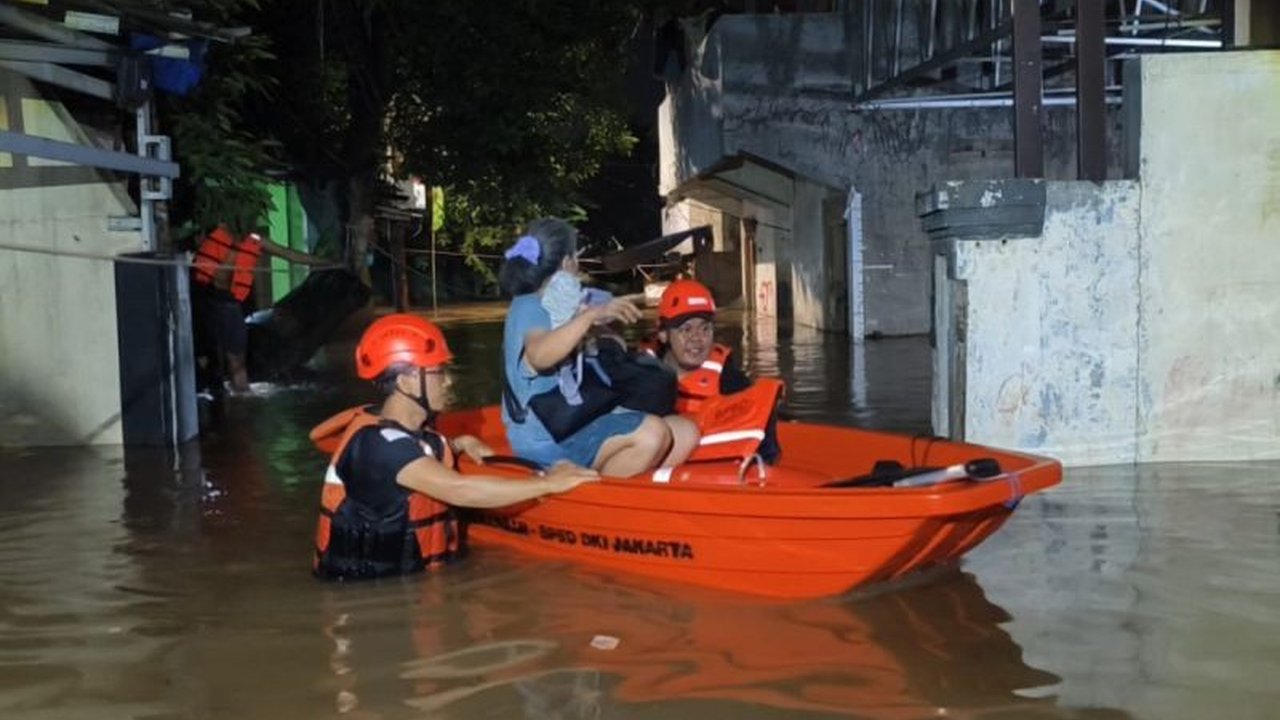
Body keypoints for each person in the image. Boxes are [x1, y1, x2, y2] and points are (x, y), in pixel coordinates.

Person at [313, 313, 599, 581]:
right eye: (438, 372)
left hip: (415, 579)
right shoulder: (378, 446)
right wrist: (549, 484)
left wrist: (456, 443)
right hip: (372, 596)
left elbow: (415, 451)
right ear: (406, 381)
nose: (449, 382)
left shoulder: (410, 431)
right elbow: (459, 490)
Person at [498, 218, 699, 477]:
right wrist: (589, 317)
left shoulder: (566, 305)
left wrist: (597, 327)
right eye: (575, 258)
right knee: (652, 433)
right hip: (546, 436)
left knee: (685, 432)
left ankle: (631, 490)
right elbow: (539, 355)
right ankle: (593, 493)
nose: (578, 266)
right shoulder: (528, 306)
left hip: (581, 418)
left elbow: (611, 348)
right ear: (566, 262)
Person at [644, 279, 782, 464]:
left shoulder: (730, 380)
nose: (697, 338)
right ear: (663, 333)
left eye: (705, 328)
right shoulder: (640, 372)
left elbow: (760, 431)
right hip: (653, 466)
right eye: (686, 329)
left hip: (709, 472)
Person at [190, 224, 326, 393]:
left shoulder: (256, 240)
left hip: (230, 304)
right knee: (205, 357)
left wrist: (326, 263)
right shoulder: (213, 235)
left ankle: (241, 399)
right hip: (206, 301)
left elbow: (290, 254)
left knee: (236, 361)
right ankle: (210, 398)